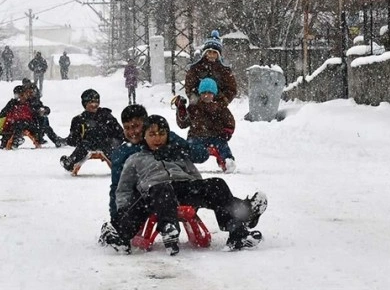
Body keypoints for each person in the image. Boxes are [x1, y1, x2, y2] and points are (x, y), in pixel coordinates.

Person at [105, 115, 267, 255]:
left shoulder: (176, 154)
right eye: (152, 134)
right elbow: (124, 189)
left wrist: (201, 192)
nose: (157, 138)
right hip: (154, 194)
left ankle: (237, 232)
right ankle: (167, 228)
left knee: (217, 183)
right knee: (162, 188)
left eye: (162, 134)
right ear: (144, 137)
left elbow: (194, 175)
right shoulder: (135, 159)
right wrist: (123, 213)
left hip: (182, 188)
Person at [176, 77, 237, 173]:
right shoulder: (194, 107)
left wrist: (226, 133)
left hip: (216, 136)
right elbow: (183, 123)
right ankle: (185, 163)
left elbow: (229, 122)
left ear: (214, 94)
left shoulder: (220, 107)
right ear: (200, 94)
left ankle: (227, 161)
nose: (206, 95)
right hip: (196, 136)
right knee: (189, 148)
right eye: (204, 93)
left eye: (209, 93)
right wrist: (181, 109)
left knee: (223, 146)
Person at [59, 89, 124, 172]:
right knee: (84, 145)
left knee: (109, 147)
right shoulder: (79, 120)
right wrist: (72, 139)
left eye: (97, 101)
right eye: (91, 102)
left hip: (108, 144)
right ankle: (70, 162)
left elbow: (120, 133)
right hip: (88, 145)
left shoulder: (106, 115)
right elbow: (73, 139)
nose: (95, 104)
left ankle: (119, 164)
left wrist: (114, 142)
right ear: (85, 104)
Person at [184, 30, 237, 106]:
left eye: (214, 52)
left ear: (219, 54)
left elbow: (231, 89)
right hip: (198, 106)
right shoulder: (196, 68)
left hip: (218, 107)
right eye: (209, 52)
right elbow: (189, 87)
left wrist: (221, 103)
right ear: (205, 53)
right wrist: (197, 100)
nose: (211, 55)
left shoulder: (224, 70)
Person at [21, 78, 64, 147]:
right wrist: (38, 112)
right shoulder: (24, 101)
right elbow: (27, 111)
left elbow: (41, 107)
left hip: (35, 122)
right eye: (29, 92)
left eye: (32, 92)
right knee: (43, 121)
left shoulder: (35, 100)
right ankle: (49, 139)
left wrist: (45, 110)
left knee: (44, 120)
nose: (31, 94)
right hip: (28, 123)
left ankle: (53, 139)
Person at [0, 84, 41, 149]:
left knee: (19, 123)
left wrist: (42, 110)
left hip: (29, 124)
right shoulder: (12, 103)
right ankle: (5, 142)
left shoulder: (31, 102)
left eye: (21, 95)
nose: (20, 98)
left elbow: (39, 109)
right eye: (17, 96)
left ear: (25, 94)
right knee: (9, 126)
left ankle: (16, 140)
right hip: (14, 123)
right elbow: (3, 112)